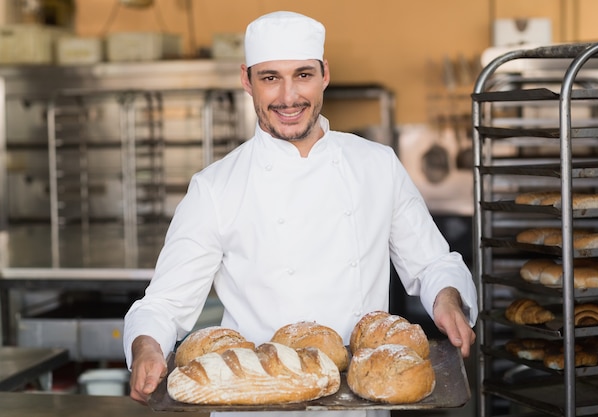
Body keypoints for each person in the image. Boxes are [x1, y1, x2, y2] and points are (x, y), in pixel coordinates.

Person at [123, 10, 478, 417]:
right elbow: (164, 304)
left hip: (358, 404)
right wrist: (148, 346)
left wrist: (447, 300)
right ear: (246, 80)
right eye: (270, 78)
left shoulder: (377, 165)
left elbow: (432, 263)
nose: (289, 97)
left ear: (325, 74)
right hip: (255, 406)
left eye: (303, 75)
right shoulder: (216, 187)